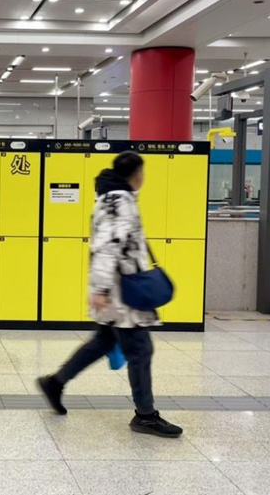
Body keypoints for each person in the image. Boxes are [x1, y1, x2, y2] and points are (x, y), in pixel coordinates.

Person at [37, 151, 182, 438]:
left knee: (102, 341)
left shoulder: (110, 198)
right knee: (140, 350)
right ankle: (145, 415)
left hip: (116, 288)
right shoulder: (120, 203)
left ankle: (55, 382)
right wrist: (102, 289)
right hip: (122, 293)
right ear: (137, 175)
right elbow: (107, 246)